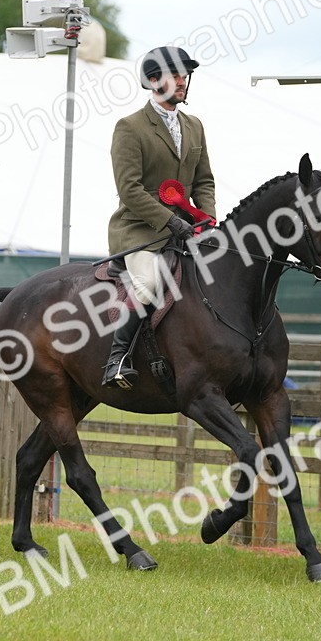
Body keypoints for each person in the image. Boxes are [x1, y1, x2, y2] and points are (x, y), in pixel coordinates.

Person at [103, 45, 216, 389]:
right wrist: (170, 221)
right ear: (154, 81)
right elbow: (129, 190)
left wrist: (206, 219)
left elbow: (204, 181)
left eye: (185, 76)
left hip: (187, 229)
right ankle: (117, 358)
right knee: (149, 282)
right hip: (141, 230)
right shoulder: (130, 127)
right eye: (175, 76)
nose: (182, 81)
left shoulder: (194, 126)